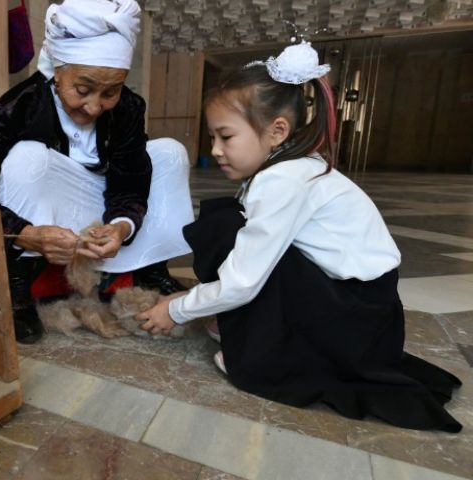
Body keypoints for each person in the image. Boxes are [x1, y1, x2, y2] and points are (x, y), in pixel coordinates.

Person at [137, 41, 462, 432]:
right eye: (213, 138)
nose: (215, 150)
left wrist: (175, 309)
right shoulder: (288, 168)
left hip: (355, 316)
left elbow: (244, 280)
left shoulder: (282, 181)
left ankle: (266, 356)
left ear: (277, 131)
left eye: (225, 137)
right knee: (226, 221)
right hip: (362, 307)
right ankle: (245, 327)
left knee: (228, 233)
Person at [0, 0, 193, 344]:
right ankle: (16, 285)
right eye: (83, 89)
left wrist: (121, 226)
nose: (95, 106)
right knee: (26, 156)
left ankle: (149, 271)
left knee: (168, 153)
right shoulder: (16, 108)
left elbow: (129, 179)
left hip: (100, 207)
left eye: (110, 91)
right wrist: (25, 233)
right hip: (46, 216)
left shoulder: (128, 108)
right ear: (57, 71)